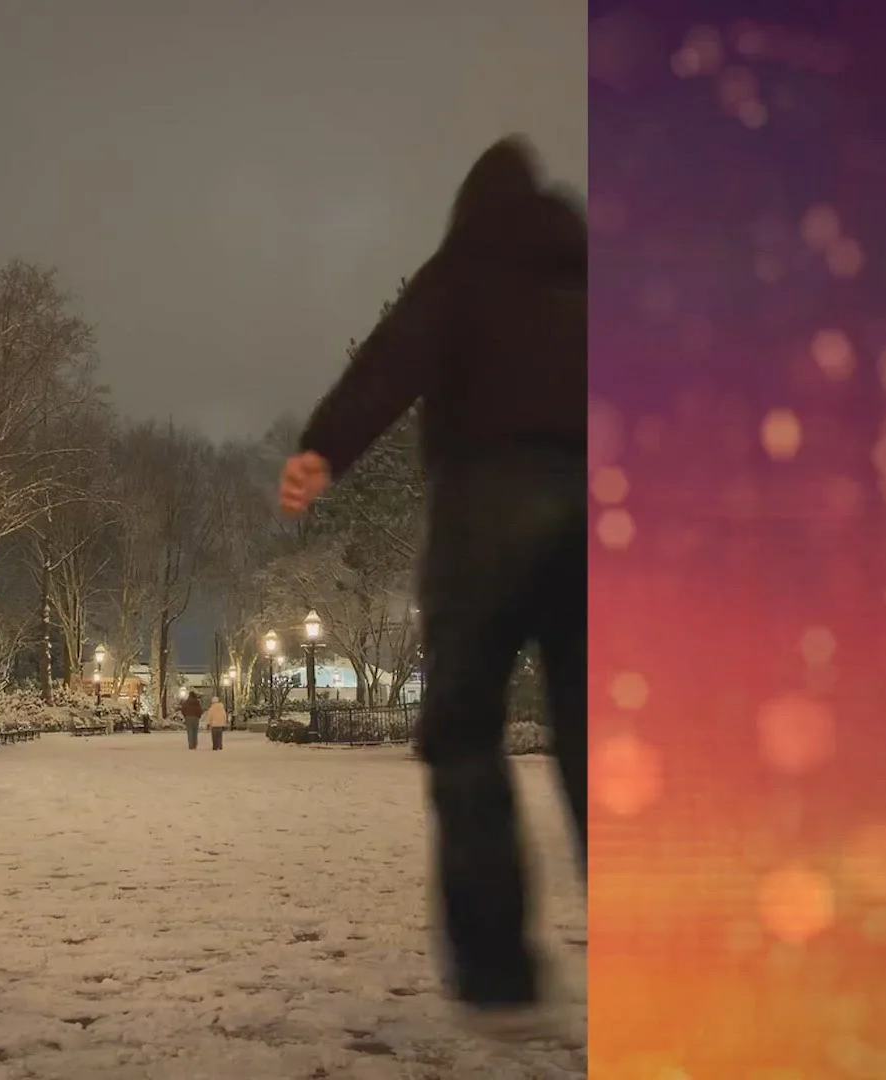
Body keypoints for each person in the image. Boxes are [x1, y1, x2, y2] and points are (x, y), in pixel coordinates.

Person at [277, 137, 587, 1043]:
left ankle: (498, 976)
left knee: (464, 731)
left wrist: (322, 449)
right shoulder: (592, 277)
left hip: (483, 504)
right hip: (590, 504)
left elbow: (390, 360)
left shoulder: (463, 269)